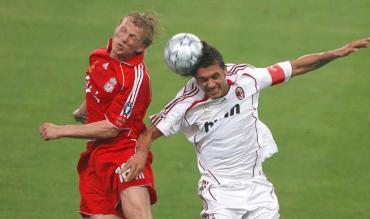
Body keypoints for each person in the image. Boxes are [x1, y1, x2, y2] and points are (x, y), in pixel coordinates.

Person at [120, 37, 369, 219]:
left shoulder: (247, 78)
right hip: (220, 191)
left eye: (215, 76)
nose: (211, 84)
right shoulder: (187, 103)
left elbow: (297, 66)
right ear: (195, 80)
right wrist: (141, 153)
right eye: (203, 80)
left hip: (256, 185)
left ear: (225, 70)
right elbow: (149, 133)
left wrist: (336, 53)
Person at [39, 12, 159, 219]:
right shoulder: (98, 55)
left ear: (141, 47)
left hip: (125, 151)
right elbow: (101, 89)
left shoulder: (135, 77)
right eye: (123, 30)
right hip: (96, 153)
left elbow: (113, 127)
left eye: (132, 37)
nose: (123, 38)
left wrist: (61, 130)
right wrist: (82, 110)